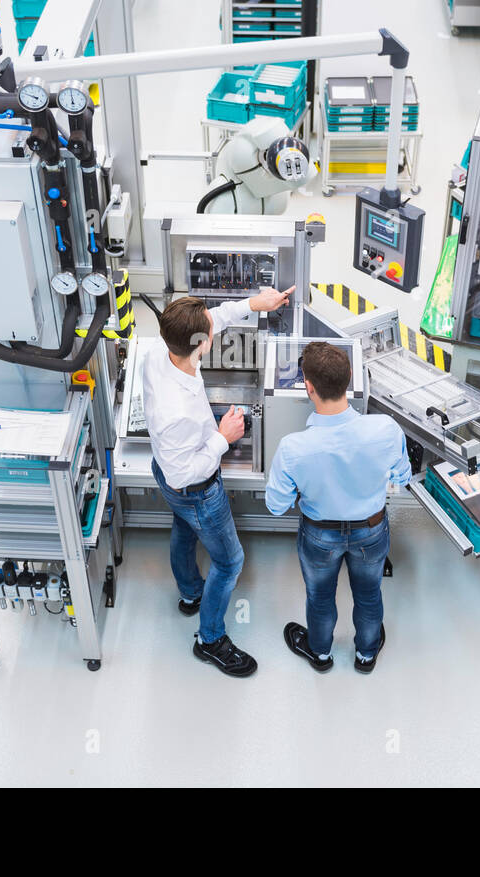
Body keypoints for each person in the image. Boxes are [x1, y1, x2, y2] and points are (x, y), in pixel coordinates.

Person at [143, 285, 294, 677]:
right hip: (193, 487)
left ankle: (191, 594)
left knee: (182, 527)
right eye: (210, 329)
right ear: (203, 344)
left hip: (165, 474)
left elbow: (215, 317)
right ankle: (209, 639)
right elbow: (183, 474)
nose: (215, 326)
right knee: (229, 561)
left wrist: (254, 304)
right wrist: (222, 439)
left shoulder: (162, 351)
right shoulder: (173, 409)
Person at [265, 341, 411, 674]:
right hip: (372, 532)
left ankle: (320, 654)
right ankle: (366, 654)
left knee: (319, 598)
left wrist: (304, 493)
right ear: (349, 381)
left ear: (309, 387)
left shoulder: (293, 448)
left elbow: (276, 505)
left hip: (319, 537)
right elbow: (402, 477)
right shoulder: (386, 429)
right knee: (369, 593)